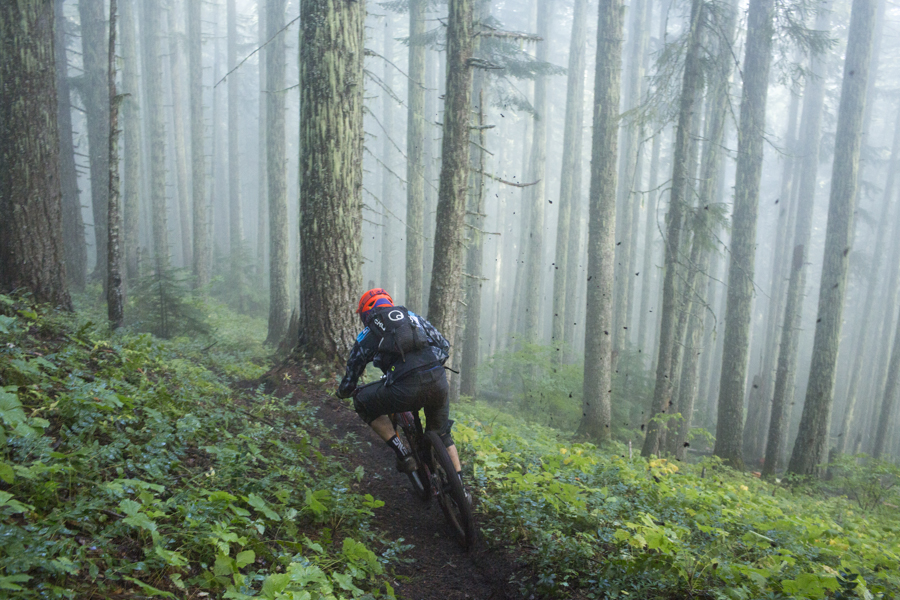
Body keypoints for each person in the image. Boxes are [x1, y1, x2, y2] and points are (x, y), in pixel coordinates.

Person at [336, 288, 463, 478]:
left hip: (404, 389)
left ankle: (404, 455)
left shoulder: (370, 330)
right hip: (438, 381)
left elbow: (355, 364)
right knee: (443, 434)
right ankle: (461, 489)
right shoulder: (413, 318)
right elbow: (443, 345)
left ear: (365, 312)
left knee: (362, 402)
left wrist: (346, 390)